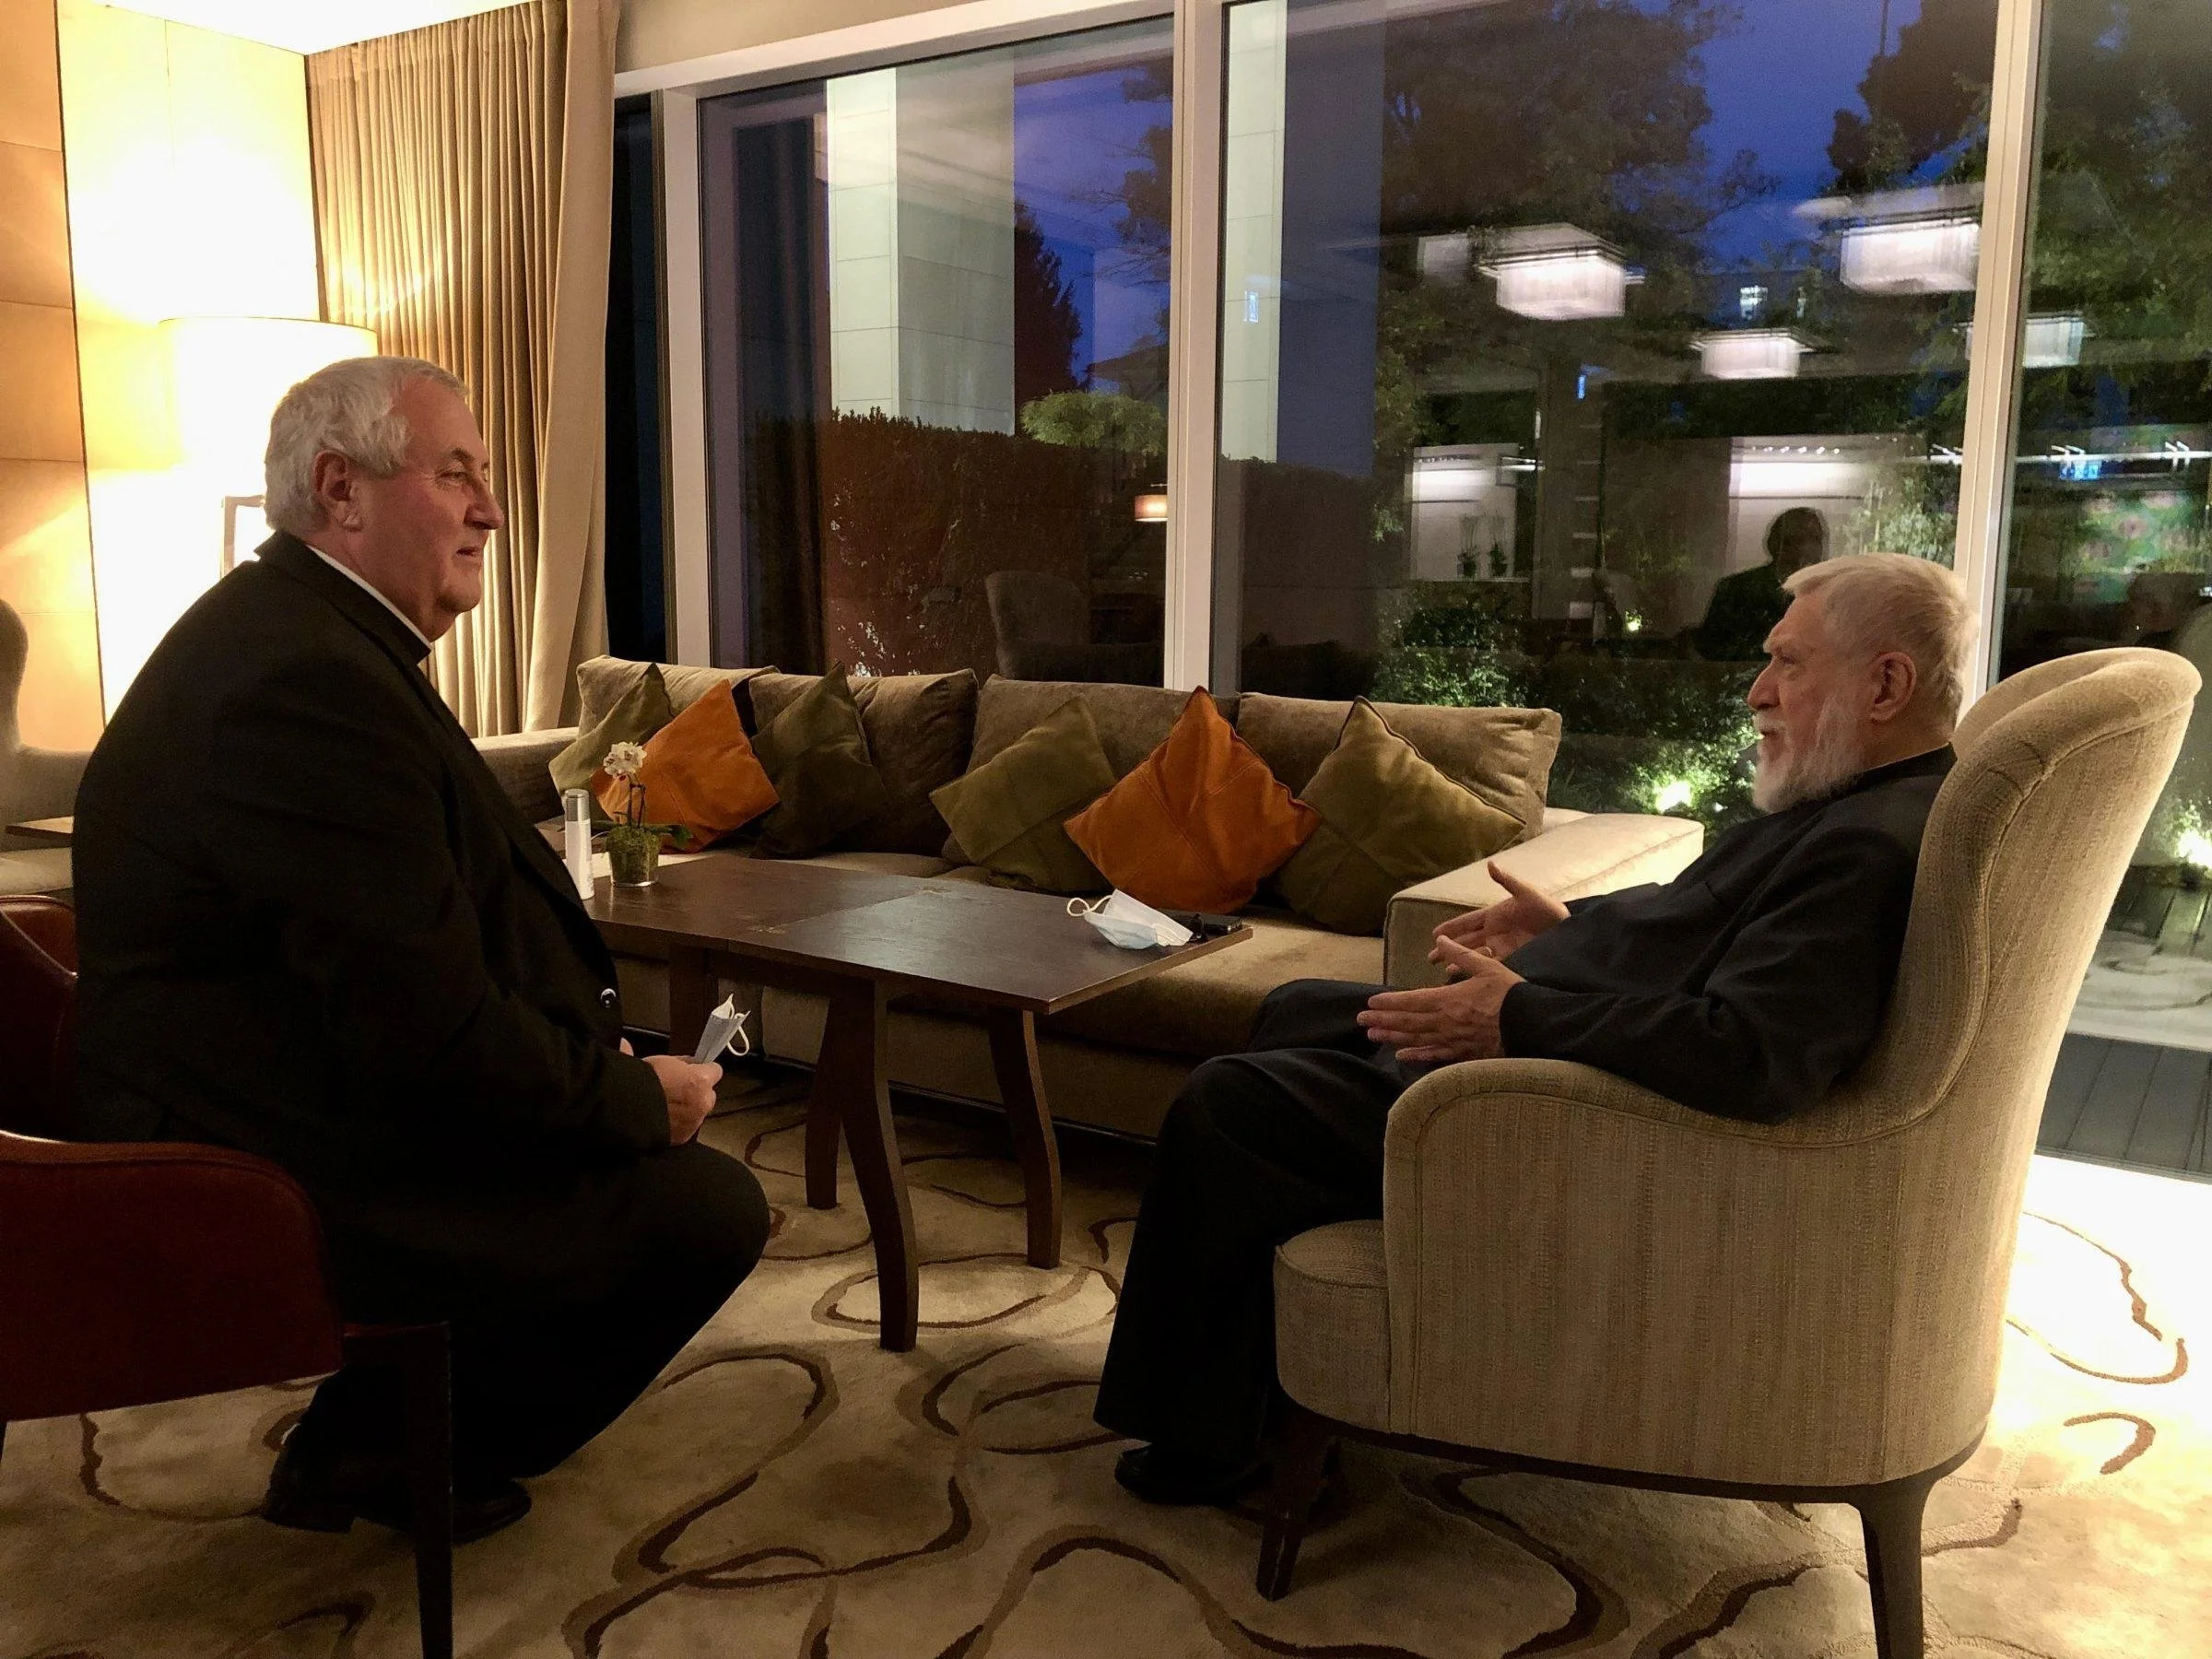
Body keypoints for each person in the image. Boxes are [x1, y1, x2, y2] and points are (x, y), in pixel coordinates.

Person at [1097, 553, 1974, 1505]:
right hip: (1548, 1047)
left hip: (1548, 1109)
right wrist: (1570, 930)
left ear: (1886, 683)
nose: (1759, 692)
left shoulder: (1866, 846)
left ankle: (1209, 1445)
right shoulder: (1855, 804)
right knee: (1298, 1006)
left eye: (1789, 665)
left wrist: (1513, 1011)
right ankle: (1265, 1375)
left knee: (1230, 1106)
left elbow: (1753, 1057)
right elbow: (1707, 938)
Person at [70, 357, 770, 1542]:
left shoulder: (311, 638)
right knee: (699, 1212)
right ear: (341, 490)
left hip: (289, 1092)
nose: (492, 509)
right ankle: (377, 1456)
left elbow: (408, 958)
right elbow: (427, 1035)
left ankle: (386, 1424)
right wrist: (626, 1103)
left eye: (487, 478)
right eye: (458, 476)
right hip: (257, 1162)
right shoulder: (304, 682)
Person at [1692, 505, 1829, 661]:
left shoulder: (1830, 596)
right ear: (1775, 544)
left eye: (1815, 540)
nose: (1806, 549)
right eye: (1794, 540)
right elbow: (1711, 652)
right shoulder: (1735, 590)